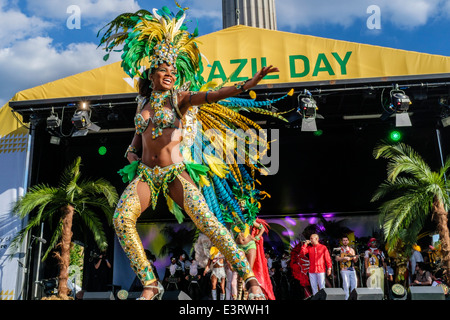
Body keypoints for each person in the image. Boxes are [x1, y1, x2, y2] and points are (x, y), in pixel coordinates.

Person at [100, 5, 281, 300]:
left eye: (173, 70)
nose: (170, 74)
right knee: (121, 220)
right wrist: (132, 155)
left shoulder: (180, 99)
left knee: (208, 222)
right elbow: (135, 142)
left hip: (175, 173)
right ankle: (150, 282)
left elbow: (213, 95)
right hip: (146, 174)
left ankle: (249, 279)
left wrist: (248, 84)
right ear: (152, 72)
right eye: (164, 70)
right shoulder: (142, 102)